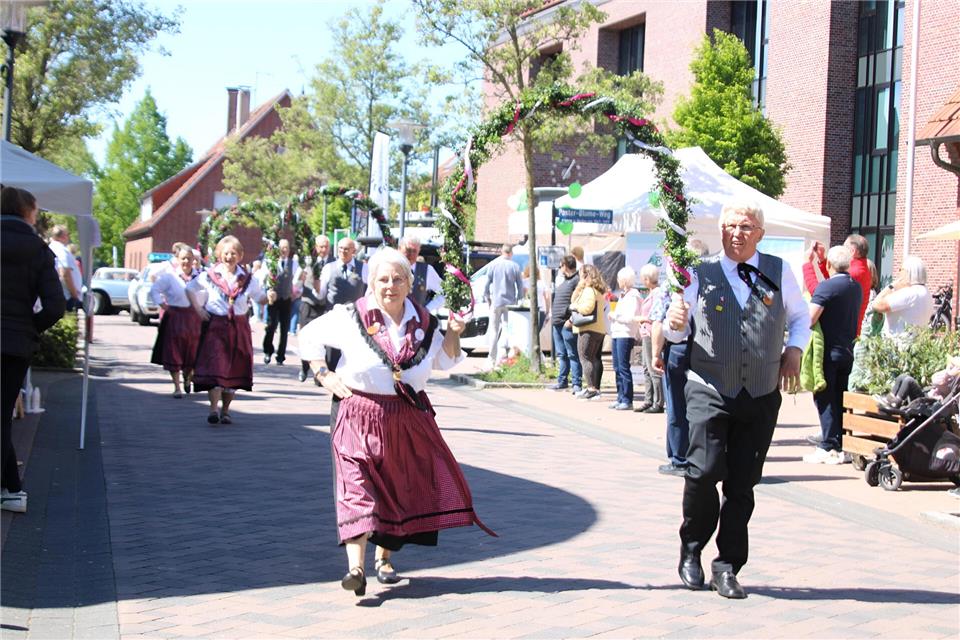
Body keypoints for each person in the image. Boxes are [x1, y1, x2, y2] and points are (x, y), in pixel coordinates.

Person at [299, 247, 495, 596]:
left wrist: (454, 331)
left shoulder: (425, 321)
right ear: (371, 283)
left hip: (405, 415)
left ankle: (384, 558)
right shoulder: (350, 316)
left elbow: (446, 362)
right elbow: (308, 336)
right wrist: (323, 374)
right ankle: (355, 567)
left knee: (396, 487)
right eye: (383, 279)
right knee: (356, 485)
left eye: (398, 278)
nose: (390, 285)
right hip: (356, 411)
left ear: (409, 282)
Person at [665, 201, 809, 599]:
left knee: (743, 484)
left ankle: (727, 566)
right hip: (709, 384)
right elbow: (677, 329)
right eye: (729, 226)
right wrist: (674, 326)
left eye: (745, 226)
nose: (736, 233)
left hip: (760, 391)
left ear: (760, 232)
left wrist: (795, 348)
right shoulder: (699, 273)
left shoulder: (779, 271)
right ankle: (691, 549)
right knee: (704, 471)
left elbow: (799, 316)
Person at [1, 187, 66, 513]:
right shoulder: (39, 251)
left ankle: (12, 489)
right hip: (15, 343)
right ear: (28, 212)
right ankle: (11, 489)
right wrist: (30, 327)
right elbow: (56, 306)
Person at [186, 235, 268, 425]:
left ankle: (226, 410)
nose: (229, 256)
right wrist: (198, 309)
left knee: (233, 369)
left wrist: (270, 296)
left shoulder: (247, 279)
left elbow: (260, 298)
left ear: (240, 256)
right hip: (215, 326)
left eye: (233, 253)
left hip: (238, 327)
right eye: (226, 253)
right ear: (219, 255)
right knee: (215, 367)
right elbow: (190, 289)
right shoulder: (210, 275)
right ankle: (213, 409)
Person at [651, 239, 711, 477]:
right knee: (703, 402)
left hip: (678, 348)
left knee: (677, 403)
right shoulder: (712, 283)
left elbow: (657, 321)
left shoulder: (673, 285)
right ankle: (702, 454)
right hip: (705, 349)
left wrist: (656, 353)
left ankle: (679, 458)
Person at [802, 246, 862, 465]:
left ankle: (828, 445)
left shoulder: (827, 288)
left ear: (829, 264)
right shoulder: (854, 286)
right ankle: (841, 442)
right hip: (847, 349)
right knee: (840, 397)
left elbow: (810, 318)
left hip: (827, 350)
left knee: (825, 397)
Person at [149, 245, 202, 398]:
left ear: (193, 260)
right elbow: (154, 289)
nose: (186, 261)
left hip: (194, 318)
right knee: (174, 351)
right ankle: (177, 387)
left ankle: (188, 376)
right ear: (178, 260)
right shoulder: (170, 277)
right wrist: (163, 304)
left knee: (192, 351)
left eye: (189, 258)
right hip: (175, 315)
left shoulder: (200, 276)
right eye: (183, 258)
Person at [296, 235, 336, 382]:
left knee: (324, 342)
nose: (323, 250)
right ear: (316, 248)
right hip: (308, 303)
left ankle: (320, 374)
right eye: (321, 246)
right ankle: (304, 368)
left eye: (326, 246)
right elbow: (297, 281)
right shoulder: (308, 262)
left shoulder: (333, 263)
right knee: (306, 337)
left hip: (324, 306)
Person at [482, 243, 524, 369]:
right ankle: (504, 355)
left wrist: (487, 297)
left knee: (494, 330)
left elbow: (486, 284)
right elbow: (520, 286)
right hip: (510, 303)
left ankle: (491, 358)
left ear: (502, 252)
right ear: (511, 253)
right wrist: (519, 299)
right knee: (507, 329)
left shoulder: (494, 265)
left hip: (496, 301)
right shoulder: (515, 267)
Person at [871, 255, 934, 337]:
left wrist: (892, 286)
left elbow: (877, 305)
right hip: (915, 340)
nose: (899, 272)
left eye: (901, 270)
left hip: (898, 343)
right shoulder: (925, 292)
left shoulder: (909, 293)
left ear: (908, 272)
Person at [570, 264, 608, 401]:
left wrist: (574, 306)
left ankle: (591, 388)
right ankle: (594, 388)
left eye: (581, 275)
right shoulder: (598, 291)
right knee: (593, 358)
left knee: (585, 358)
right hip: (598, 329)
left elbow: (586, 308)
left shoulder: (588, 290)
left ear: (585, 275)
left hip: (587, 329)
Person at [261, 238, 301, 365]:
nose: (284, 250)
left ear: (289, 250)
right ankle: (268, 351)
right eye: (282, 248)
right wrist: (267, 290)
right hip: (273, 298)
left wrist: (295, 291)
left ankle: (281, 356)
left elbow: (298, 278)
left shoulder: (293, 263)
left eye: (286, 248)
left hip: (286, 298)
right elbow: (261, 278)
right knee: (271, 326)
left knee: (284, 328)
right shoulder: (270, 262)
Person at [608, 266, 642, 410]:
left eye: (620, 279)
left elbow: (631, 317)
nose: (618, 281)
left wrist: (615, 315)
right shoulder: (623, 295)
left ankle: (627, 399)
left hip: (626, 333)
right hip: (617, 332)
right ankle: (620, 396)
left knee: (623, 366)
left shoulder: (634, 295)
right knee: (616, 366)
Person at [548, 255, 583, 394]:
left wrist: (569, 316)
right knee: (562, 354)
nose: (560, 268)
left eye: (561, 266)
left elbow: (576, 301)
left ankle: (576, 383)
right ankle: (562, 381)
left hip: (566, 323)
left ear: (565, 266)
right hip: (557, 323)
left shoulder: (576, 281)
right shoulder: (565, 281)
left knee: (572, 354)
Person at [636, 264, 664, 414]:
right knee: (646, 368)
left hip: (651, 333)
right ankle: (649, 399)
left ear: (647, 279)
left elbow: (656, 316)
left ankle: (658, 402)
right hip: (646, 332)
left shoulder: (657, 293)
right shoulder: (652, 292)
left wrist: (641, 318)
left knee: (653, 368)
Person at [399, 237, 445, 313]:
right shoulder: (390, 268)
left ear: (419, 251)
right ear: (399, 249)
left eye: (414, 251)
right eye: (408, 250)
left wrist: (427, 309)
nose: (411, 254)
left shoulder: (427, 270)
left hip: (417, 321)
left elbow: (444, 293)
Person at [317, 237, 365, 308]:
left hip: (355, 314)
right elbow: (321, 294)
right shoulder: (328, 268)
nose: (342, 251)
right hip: (333, 313)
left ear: (354, 251)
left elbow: (370, 291)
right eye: (340, 248)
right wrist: (316, 286)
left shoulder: (364, 267)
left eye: (346, 249)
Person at [47, 225, 83, 311]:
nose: (68, 237)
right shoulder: (61, 250)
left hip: (58, 293)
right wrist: (74, 294)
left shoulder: (51, 248)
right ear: (63, 236)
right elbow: (65, 273)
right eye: (67, 234)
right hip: (67, 296)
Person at [844, 234, 872, 336]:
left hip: (846, 328)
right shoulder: (861, 269)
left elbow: (831, 286)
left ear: (853, 251)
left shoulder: (854, 272)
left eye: (844, 247)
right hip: (852, 328)